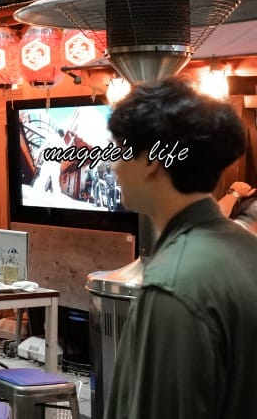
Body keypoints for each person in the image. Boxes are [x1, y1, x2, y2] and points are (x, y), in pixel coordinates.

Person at [104, 77, 257, 419]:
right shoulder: (246, 248)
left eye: (123, 150)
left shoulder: (174, 282)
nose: (114, 165)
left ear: (155, 162)